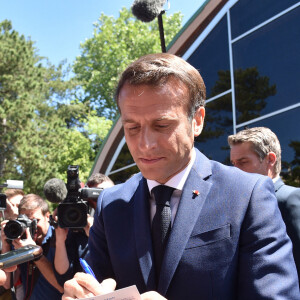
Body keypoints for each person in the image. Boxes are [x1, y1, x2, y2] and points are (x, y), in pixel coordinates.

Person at [62, 53, 299, 300]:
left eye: (162, 125)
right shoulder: (110, 204)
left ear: (197, 121)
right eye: (132, 128)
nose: (145, 144)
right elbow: (96, 282)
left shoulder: (247, 194)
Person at [228, 126, 300, 279]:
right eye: (233, 164)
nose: (235, 170)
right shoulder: (237, 205)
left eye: (243, 162)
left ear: (270, 160)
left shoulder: (290, 199)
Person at [54, 174, 114, 286]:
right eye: (97, 197)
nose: (105, 200)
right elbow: (63, 278)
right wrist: (60, 241)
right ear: (89, 202)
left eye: (110, 194)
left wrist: (96, 238)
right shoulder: (79, 229)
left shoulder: (127, 221)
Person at [1, 194, 63, 299]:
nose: (31, 226)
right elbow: (7, 283)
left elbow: (62, 286)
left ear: (47, 216)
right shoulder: (19, 241)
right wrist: (6, 244)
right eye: (25, 221)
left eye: (35, 221)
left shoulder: (58, 239)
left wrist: (34, 253)